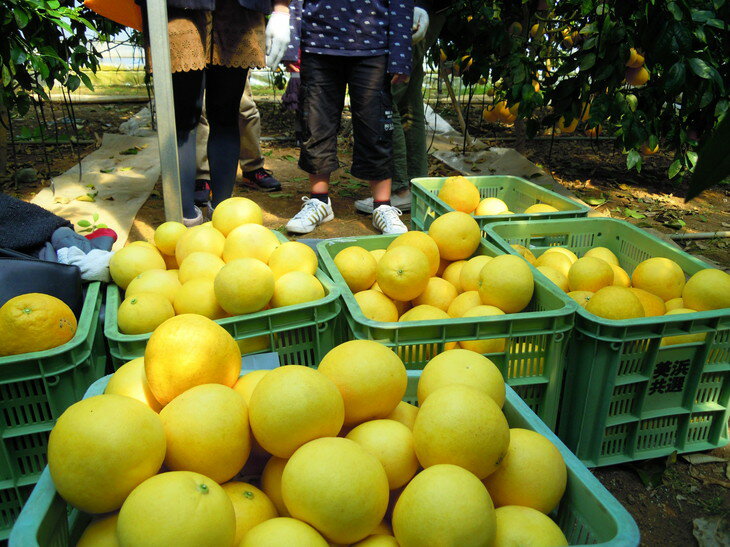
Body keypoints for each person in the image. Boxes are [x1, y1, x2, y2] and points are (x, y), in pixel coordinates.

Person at [284, 0, 414, 235]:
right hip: (317, 42)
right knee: (315, 125)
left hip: (374, 45)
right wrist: (290, 44)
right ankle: (319, 201)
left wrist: (401, 55)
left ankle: (383, 206)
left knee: (376, 129)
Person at [162, 0, 290, 226]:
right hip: (179, 7)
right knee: (184, 117)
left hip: (239, 9)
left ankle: (222, 213)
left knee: (226, 113)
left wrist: (281, 8)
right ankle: (183, 218)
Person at [355, 0, 450, 214]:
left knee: (385, 98)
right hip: (428, 9)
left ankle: (398, 188)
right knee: (407, 100)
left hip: (410, 10)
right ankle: (417, 187)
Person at [193, 74, 282, 211]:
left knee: (245, 106)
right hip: (197, 55)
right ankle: (203, 177)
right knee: (200, 109)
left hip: (232, 54)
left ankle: (253, 168)